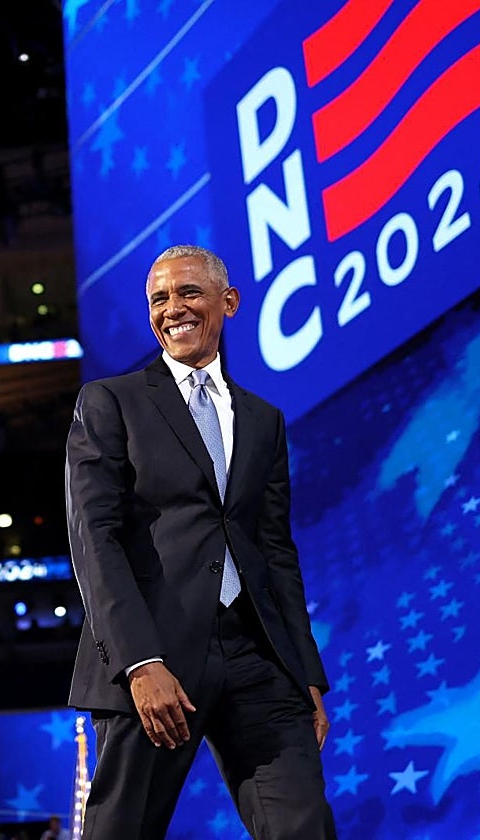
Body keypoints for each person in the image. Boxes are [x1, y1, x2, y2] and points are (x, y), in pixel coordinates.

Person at [65, 245, 336, 839]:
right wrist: (140, 662)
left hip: (257, 657)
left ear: (228, 302)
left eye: (188, 293)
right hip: (154, 652)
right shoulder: (112, 402)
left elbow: (274, 551)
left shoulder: (263, 419)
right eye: (159, 299)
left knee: (303, 825)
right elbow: (95, 541)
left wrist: (305, 672)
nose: (173, 309)